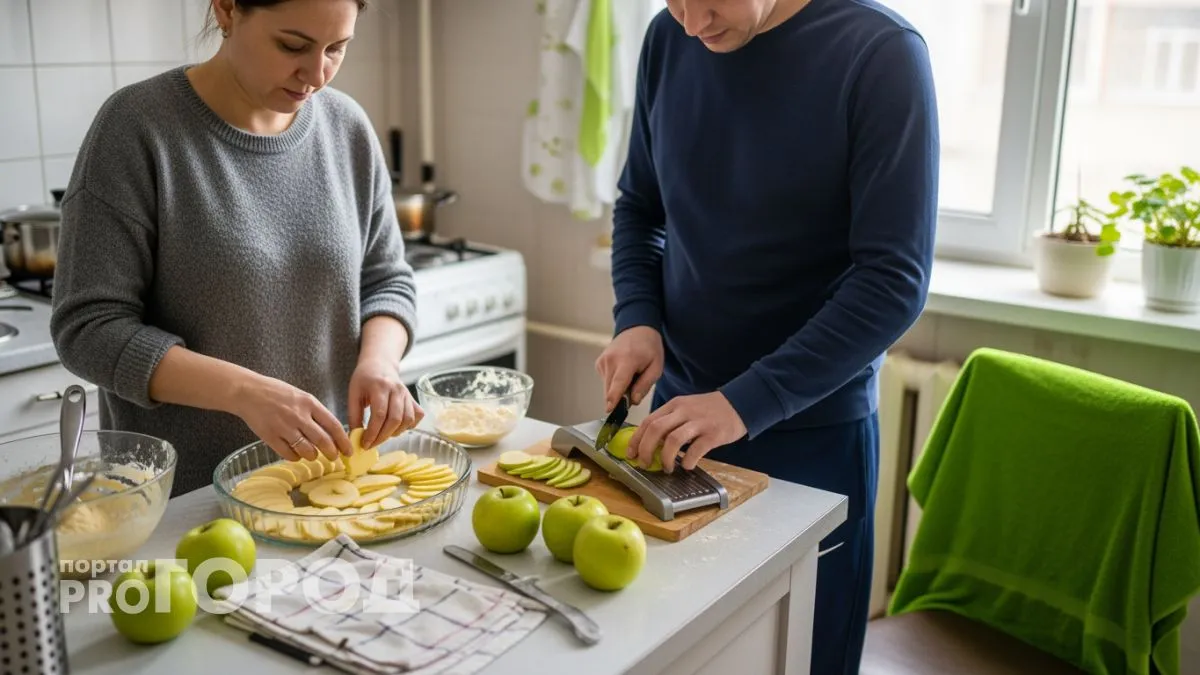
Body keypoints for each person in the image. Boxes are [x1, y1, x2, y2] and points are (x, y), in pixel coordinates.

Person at [594, 0, 938, 672]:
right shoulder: (668, 39)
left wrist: (742, 402)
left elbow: (893, 280)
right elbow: (641, 207)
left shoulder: (883, 52)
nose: (691, 22)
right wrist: (638, 316)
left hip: (814, 442)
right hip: (678, 434)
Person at [50, 0, 422, 496]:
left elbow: (386, 280)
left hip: (325, 488)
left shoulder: (346, 128)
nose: (316, 74)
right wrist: (245, 393)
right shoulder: (137, 128)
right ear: (226, 10)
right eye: (293, 45)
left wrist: (379, 361)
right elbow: (89, 329)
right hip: (181, 498)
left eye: (337, 48)